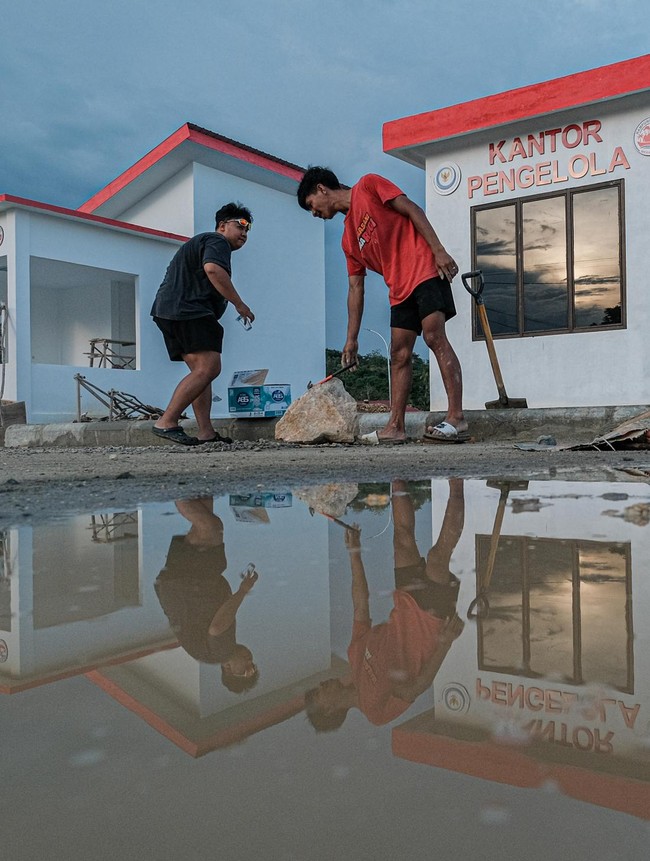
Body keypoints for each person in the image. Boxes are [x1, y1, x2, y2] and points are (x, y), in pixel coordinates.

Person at [297, 168, 467, 444]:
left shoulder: (369, 185)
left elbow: (412, 209)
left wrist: (438, 250)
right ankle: (395, 427)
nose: (314, 214)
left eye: (311, 206)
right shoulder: (347, 239)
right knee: (399, 355)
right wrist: (351, 339)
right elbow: (355, 288)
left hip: (424, 269)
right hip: (399, 289)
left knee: (434, 336)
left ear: (321, 189)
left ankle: (456, 418)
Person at [304, 479, 465, 731]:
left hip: (405, 601)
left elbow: (360, 605)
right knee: (437, 557)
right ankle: (458, 483)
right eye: (318, 694)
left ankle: (397, 475)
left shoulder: (354, 656)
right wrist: (445, 644)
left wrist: (354, 553)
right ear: (330, 709)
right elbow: (417, 687)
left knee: (402, 539)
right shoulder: (375, 712)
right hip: (430, 623)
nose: (320, 686)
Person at [150, 202, 255, 446]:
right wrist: (240, 305)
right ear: (221, 226)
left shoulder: (203, 243)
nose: (244, 233)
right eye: (240, 225)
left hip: (169, 312)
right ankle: (167, 422)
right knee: (209, 368)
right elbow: (213, 270)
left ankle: (206, 432)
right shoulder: (216, 241)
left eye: (248, 229)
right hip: (189, 311)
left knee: (202, 373)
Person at [154, 497, 259, 692]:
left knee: (210, 526)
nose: (250, 663)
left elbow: (217, 627)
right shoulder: (210, 654)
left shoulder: (222, 653)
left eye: (246, 671)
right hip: (185, 585)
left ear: (227, 669)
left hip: (190, 585)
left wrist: (243, 590)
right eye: (254, 667)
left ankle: (176, 491)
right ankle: (196, 483)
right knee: (205, 517)